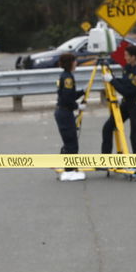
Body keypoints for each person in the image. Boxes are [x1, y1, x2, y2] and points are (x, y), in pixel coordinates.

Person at [100, 44, 136, 175]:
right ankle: (105, 160)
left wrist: (112, 81)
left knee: (135, 137)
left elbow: (127, 90)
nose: (125, 57)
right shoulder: (128, 68)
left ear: (134, 57)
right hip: (126, 104)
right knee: (108, 127)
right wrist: (113, 79)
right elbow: (125, 82)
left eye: (127, 55)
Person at [54, 52, 86, 182]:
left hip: (64, 112)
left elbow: (68, 95)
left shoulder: (66, 76)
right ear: (70, 63)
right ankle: (69, 172)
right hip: (65, 112)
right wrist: (77, 106)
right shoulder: (67, 78)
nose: (76, 63)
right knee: (71, 143)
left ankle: (68, 168)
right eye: (74, 61)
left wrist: (81, 92)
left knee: (69, 141)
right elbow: (67, 99)